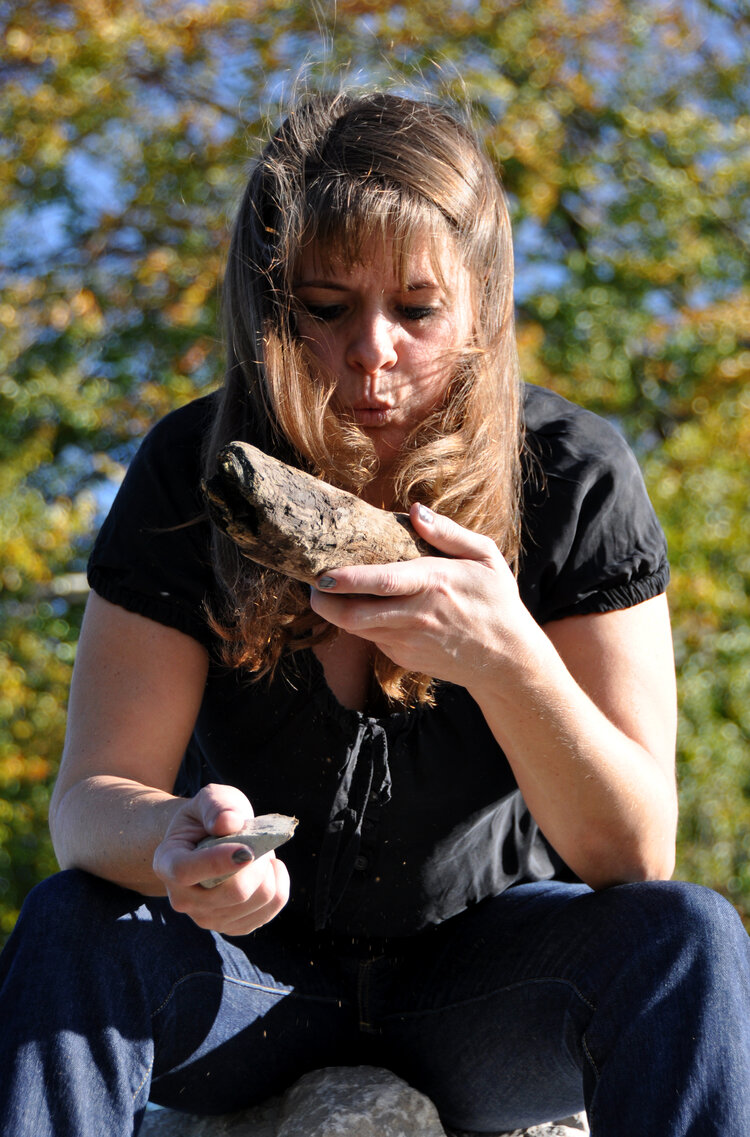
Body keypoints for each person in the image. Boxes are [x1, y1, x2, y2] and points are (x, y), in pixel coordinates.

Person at [1, 90, 748, 1137]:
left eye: (417, 308)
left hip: (488, 984)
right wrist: (174, 841)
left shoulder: (576, 477)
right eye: (324, 304)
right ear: (267, 304)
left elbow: (632, 855)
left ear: (482, 303)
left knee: (690, 938)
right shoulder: (188, 470)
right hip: (244, 985)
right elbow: (88, 802)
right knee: (69, 925)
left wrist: (505, 659)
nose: (373, 352)